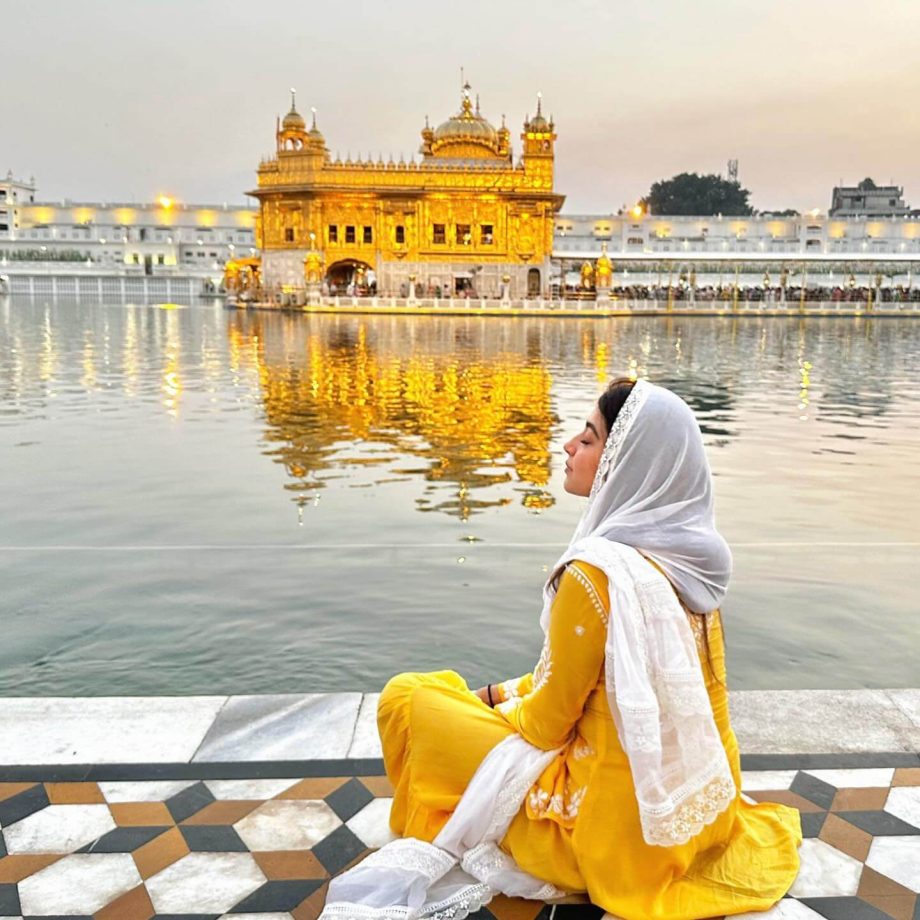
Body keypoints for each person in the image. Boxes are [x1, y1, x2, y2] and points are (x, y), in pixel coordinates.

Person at [321, 378, 801, 920]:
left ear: (628, 463)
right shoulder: (694, 564)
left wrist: (494, 707)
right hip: (701, 814)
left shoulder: (597, 575)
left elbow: (548, 725)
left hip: (610, 834)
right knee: (458, 696)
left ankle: (436, 814)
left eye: (591, 438)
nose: (570, 445)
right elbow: (600, 684)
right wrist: (498, 694)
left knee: (410, 697)